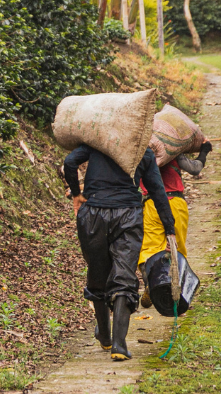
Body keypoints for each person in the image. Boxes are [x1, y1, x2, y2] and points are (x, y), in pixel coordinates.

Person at [63, 144, 177, 361]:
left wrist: (77, 193)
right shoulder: (142, 150)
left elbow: (69, 162)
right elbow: (157, 190)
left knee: (98, 273)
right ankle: (119, 345)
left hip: (93, 215)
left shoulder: (97, 143)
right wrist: (169, 228)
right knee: (124, 274)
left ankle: (104, 336)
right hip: (128, 216)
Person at [139, 142, 212, 309]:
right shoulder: (172, 150)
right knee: (175, 249)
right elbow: (195, 168)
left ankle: (151, 282)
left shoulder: (141, 153)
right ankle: (175, 291)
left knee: (149, 248)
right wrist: (204, 150)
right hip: (175, 203)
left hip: (151, 204)